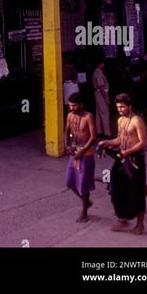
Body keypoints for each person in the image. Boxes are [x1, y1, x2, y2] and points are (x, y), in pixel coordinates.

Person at [98, 93, 147, 235]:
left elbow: (143, 142)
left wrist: (128, 152)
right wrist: (107, 142)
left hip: (135, 160)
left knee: (137, 190)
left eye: (122, 107)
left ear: (130, 106)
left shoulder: (137, 121)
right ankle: (123, 220)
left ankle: (140, 224)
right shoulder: (120, 120)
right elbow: (120, 139)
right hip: (122, 158)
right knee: (117, 188)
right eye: (118, 107)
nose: (120, 110)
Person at [64, 92, 97, 222]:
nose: (72, 108)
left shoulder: (89, 116)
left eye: (75, 105)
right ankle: (87, 202)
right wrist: (67, 145)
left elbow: (93, 136)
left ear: (81, 105)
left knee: (83, 185)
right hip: (74, 153)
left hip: (86, 154)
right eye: (70, 105)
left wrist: (82, 151)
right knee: (69, 182)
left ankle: (84, 212)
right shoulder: (70, 115)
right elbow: (67, 131)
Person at [92, 59, 111, 138]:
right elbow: (101, 86)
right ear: (100, 64)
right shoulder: (99, 73)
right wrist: (106, 98)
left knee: (99, 113)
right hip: (101, 93)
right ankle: (107, 133)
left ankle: (99, 131)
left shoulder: (96, 72)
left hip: (98, 93)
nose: (104, 65)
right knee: (104, 113)